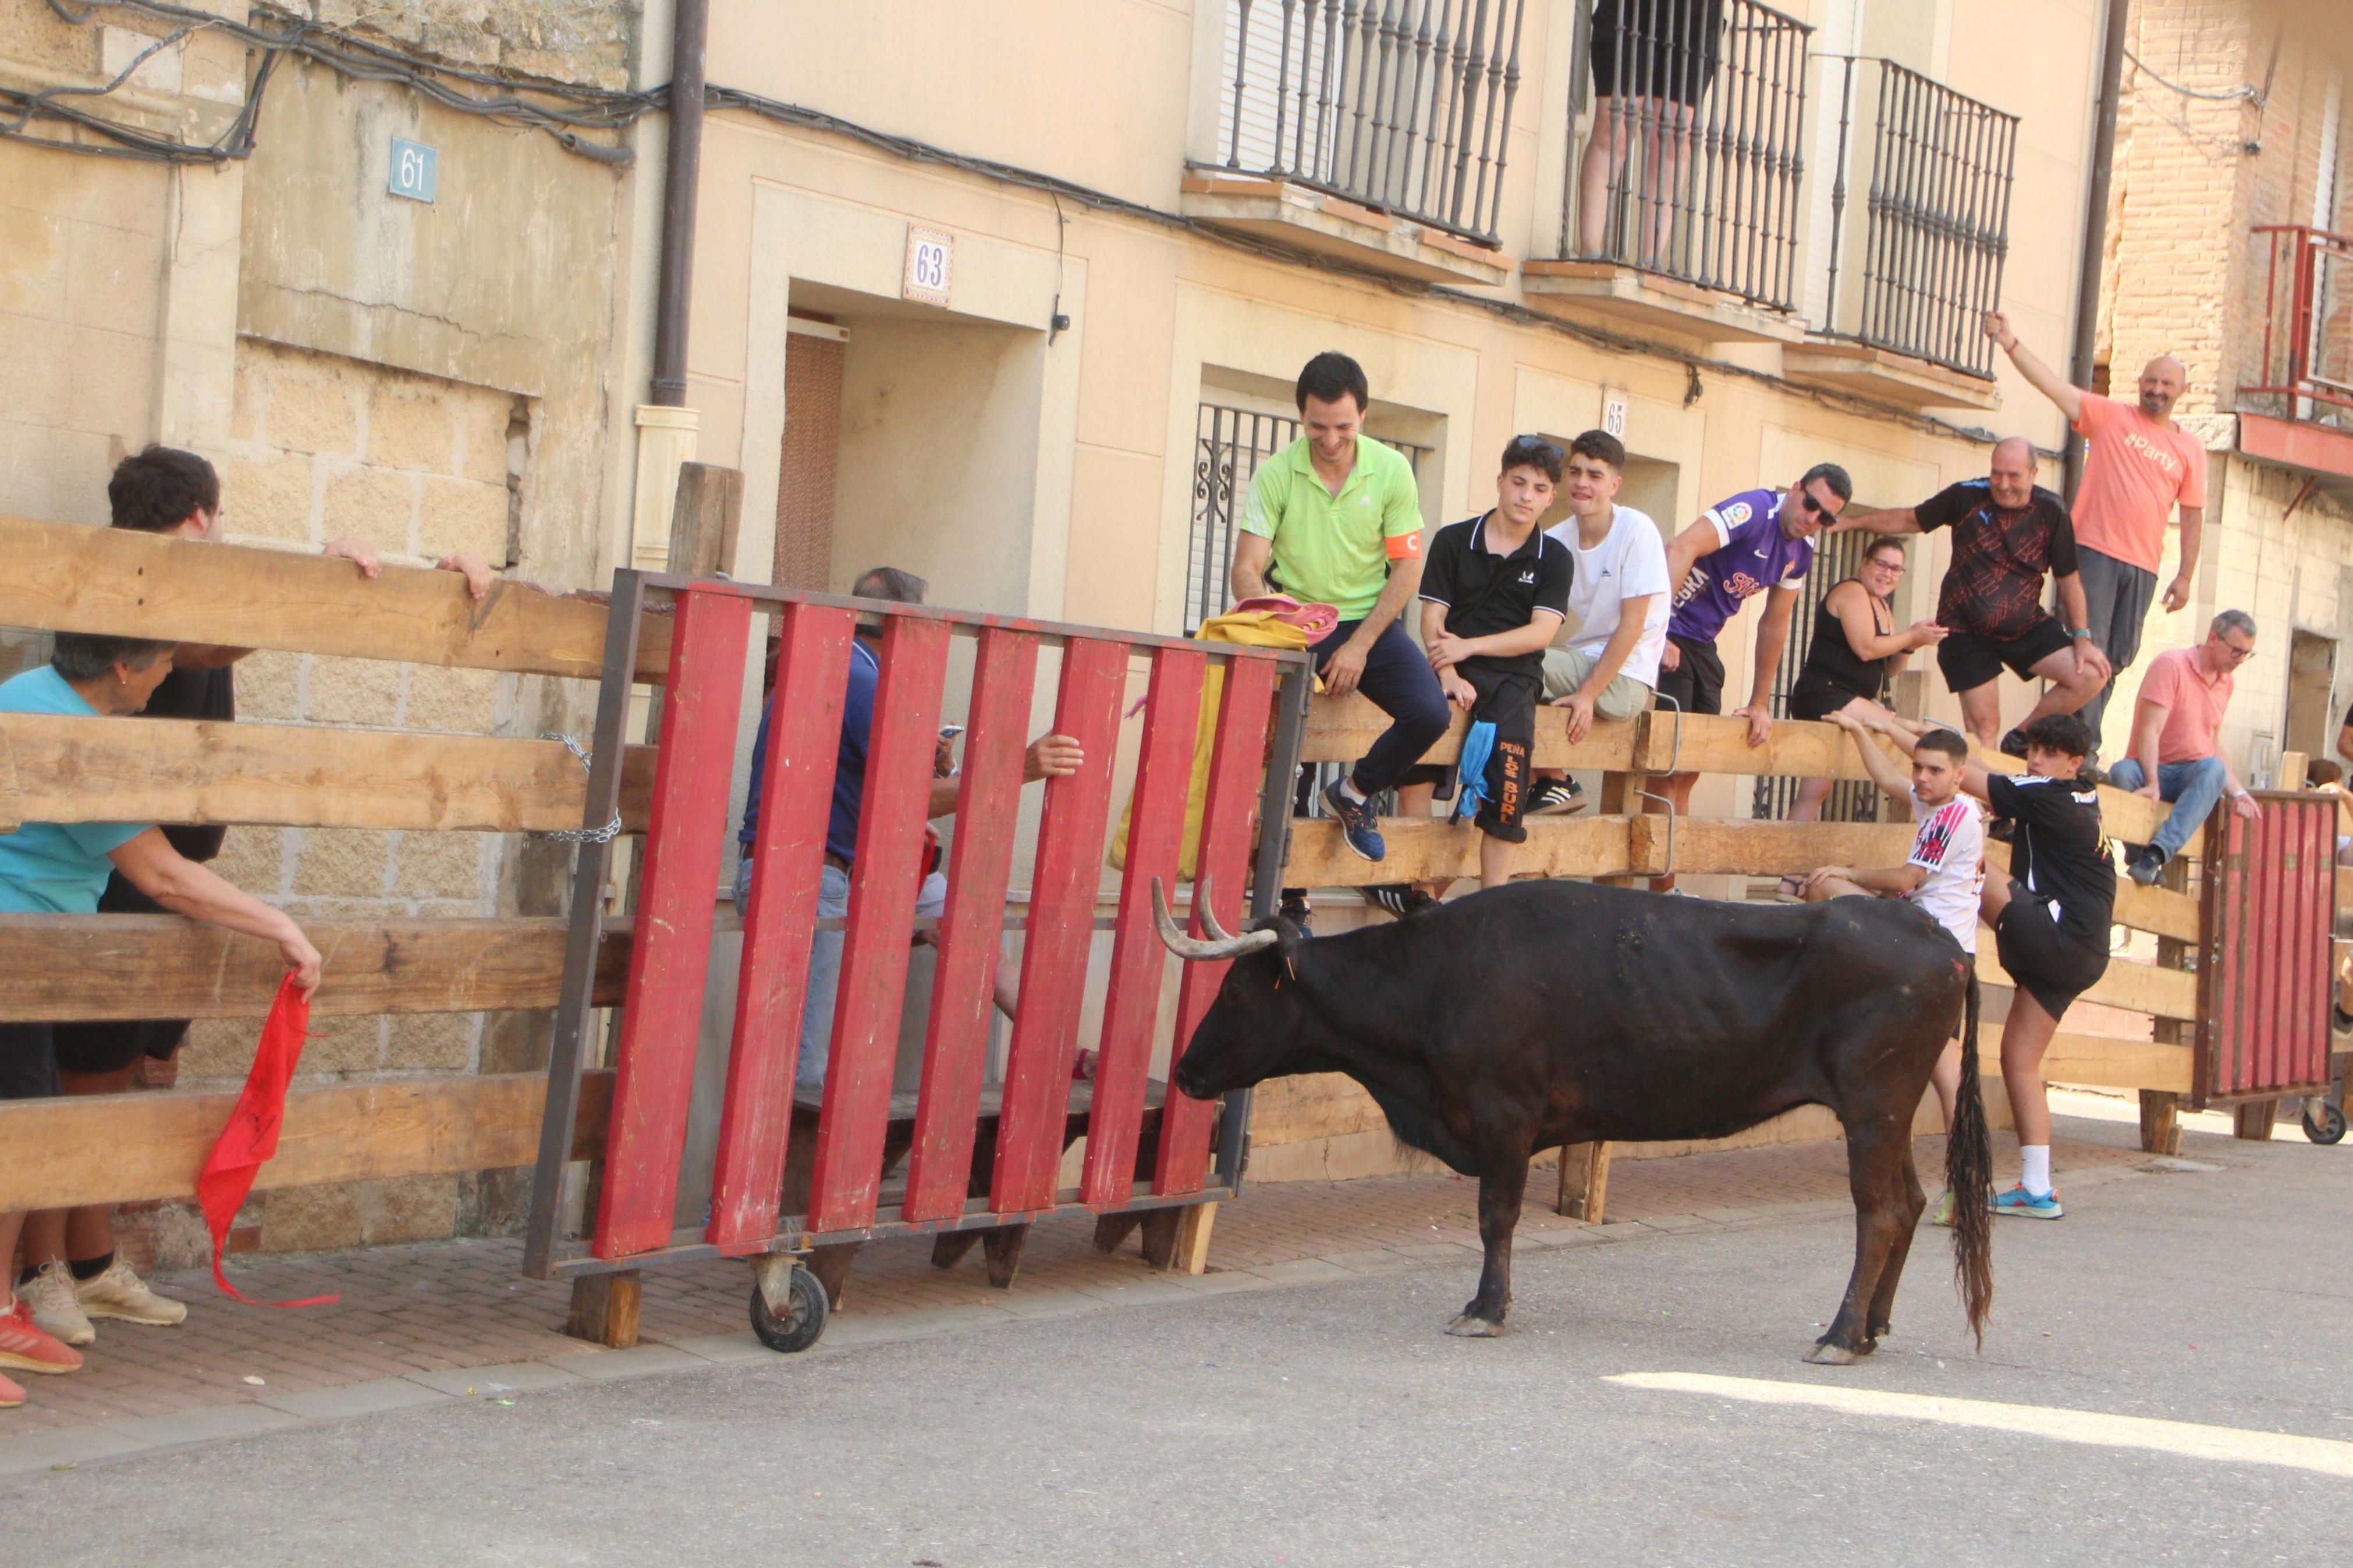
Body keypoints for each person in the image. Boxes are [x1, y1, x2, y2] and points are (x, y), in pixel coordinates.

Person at [12, 446, 492, 1357]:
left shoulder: (199, 583)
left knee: (112, 1078)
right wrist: (314, 589)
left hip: (158, 885)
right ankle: (38, 1276)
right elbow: (209, 642)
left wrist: (349, 579)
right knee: (66, 1082)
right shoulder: (143, 592)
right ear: (200, 515)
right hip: (111, 876)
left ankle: (89, 1259)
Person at [0, 633, 323, 1413]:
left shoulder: (25, 690)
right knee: (18, 1141)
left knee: (27, 1132)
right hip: (15, 951)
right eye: (161, 663)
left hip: (30, 953)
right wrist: (278, 924)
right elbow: (162, 874)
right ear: (121, 666)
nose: (169, 674)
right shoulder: (80, 740)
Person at [735, 567, 1080, 1091]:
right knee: (802, 1068)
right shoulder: (864, 682)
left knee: (968, 928)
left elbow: (870, 785)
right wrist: (1019, 768)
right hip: (810, 881)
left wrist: (934, 763)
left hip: (841, 871)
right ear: (899, 624)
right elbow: (908, 804)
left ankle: (1058, 1050)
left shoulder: (834, 668)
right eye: (927, 625)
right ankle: (779, 1171)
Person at [1231, 353, 1447, 891]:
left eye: (1343, 428)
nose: (1329, 440)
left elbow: (1407, 570)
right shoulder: (1276, 472)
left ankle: (1354, 793)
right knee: (1292, 761)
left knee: (1429, 712)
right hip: (1296, 622)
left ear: (1365, 416)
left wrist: (1359, 647)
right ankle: (1291, 900)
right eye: (1317, 427)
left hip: (1365, 623)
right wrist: (1276, 626)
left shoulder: (1392, 469)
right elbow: (1246, 570)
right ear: (1301, 417)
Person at [1986, 311, 2208, 744]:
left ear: (2182, 392)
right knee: (2088, 656)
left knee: (2118, 658)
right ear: (2139, 382)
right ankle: (2074, 748)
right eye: (2150, 381)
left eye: (2166, 384)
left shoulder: (2191, 449)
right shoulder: (2108, 416)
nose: (2156, 390)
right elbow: (2050, 385)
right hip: (2092, 553)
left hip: (2143, 564)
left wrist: (2184, 575)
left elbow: (2193, 512)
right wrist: (2010, 342)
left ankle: (2064, 740)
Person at [1802, 713, 1985, 1223]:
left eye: (1933, 770)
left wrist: (1846, 870)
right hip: (1948, 950)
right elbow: (1888, 781)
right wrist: (1860, 731)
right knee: (1949, 1075)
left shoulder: (1950, 817)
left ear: (1959, 774)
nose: (1921, 779)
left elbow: (1907, 876)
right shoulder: (1953, 803)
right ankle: (1966, 1188)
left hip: (1928, 948)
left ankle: (1964, 1186)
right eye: (1918, 768)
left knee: (1823, 889)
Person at [1830, 438, 2109, 758]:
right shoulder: (1966, 496)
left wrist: (2082, 636)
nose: (2003, 485)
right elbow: (1911, 519)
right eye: (1996, 474)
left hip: (2024, 625)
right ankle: (1984, 806)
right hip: (1964, 631)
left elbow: (2068, 577)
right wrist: (1852, 522)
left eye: (2014, 476)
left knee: (2091, 674)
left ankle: (2023, 737)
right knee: (1984, 731)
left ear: (2034, 473)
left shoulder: (2051, 510)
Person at [1648, 464, 1851, 890]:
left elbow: (1774, 624)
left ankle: (1666, 882)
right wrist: (1657, 631)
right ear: (1794, 489)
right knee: (1666, 768)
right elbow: (1680, 547)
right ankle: (1661, 890)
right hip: (1669, 637)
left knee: (1689, 770)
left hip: (1703, 645)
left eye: (1825, 517)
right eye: (1810, 503)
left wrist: (1760, 701)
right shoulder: (1755, 509)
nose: (1812, 517)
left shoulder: (1802, 550)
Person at [1959, 712, 2113, 1219]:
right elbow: (1989, 778)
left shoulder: (2048, 795)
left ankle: (1921, 935)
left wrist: (1882, 722)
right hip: (2081, 952)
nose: (2035, 759)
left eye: (2048, 754)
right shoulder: (2076, 793)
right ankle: (2036, 1188)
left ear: (2074, 763)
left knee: (1969, 863)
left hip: (2062, 939)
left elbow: (1962, 770)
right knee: (2017, 1060)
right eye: (2033, 750)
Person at [1416, 437, 1574, 891]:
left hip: (1513, 680)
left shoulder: (1555, 558)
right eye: (1518, 482)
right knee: (1416, 773)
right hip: (1446, 669)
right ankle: (1416, 895)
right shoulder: (1452, 540)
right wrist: (1447, 671)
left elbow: (1541, 633)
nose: (1526, 495)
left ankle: (1494, 902)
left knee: (1506, 795)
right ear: (1500, 481)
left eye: (1539, 488)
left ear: (1550, 497)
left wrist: (1468, 648)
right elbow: (1432, 618)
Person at [1526, 429, 1669, 817]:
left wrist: (1587, 695)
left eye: (1594, 475)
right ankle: (1540, 784)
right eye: (1574, 472)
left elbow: (1633, 624)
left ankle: (1555, 781)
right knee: (1503, 678)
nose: (1581, 483)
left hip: (1626, 677)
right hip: (1582, 662)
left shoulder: (1636, 531)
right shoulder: (1554, 541)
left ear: (1615, 484)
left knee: (1517, 667)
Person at [1781, 536, 1944, 823]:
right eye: (1882, 565)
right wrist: (1911, 635)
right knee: (1900, 730)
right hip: (1826, 693)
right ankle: (1944, 789)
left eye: (1896, 569)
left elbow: (1887, 670)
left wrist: (1911, 644)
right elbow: (1866, 648)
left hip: (1850, 697)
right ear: (1865, 563)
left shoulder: (1882, 605)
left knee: (1815, 791)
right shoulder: (1852, 591)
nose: (1888, 574)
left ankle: (1791, 866)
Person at [2107, 610, 2263, 886]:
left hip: (2189, 773)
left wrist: (2238, 792)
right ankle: (2138, 855)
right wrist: (2153, 781)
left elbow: (2212, 742)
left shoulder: (2227, 683)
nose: (2239, 661)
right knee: (2121, 772)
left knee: (2213, 769)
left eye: (2246, 654)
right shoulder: (2171, 665)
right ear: (2213, 638)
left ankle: (2155, 854)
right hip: (2149, 768)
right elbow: (2150, 731)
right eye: (2236, 651)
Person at [1576, 1, 1725, 263]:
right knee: (1613, 132)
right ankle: (1590, 251)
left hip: (1697, 19)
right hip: (1631, 9)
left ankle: (1651, 260)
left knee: (1671, 144)